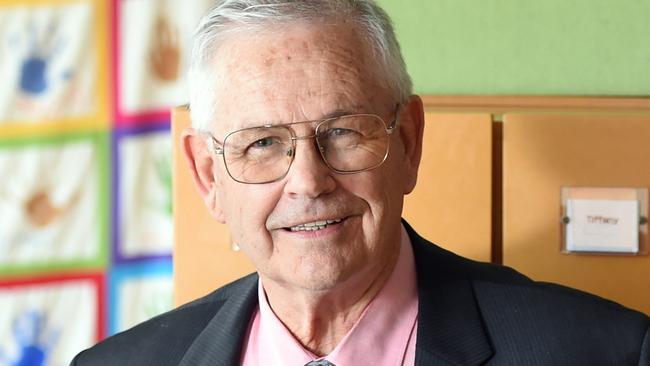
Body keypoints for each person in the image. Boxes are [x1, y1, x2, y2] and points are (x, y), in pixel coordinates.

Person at [72, 1, 650, 365]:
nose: (308, 181)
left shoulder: (604, 351)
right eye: (263, 143)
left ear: (409, 142)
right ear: (206, 175)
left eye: (344, 131)